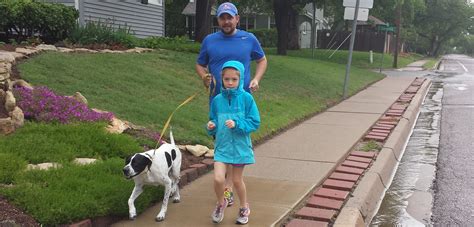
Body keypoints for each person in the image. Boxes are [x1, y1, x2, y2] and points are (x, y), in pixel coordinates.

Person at [195, 1, 267, 208]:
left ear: (237, 18)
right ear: (218, 20)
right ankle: (227, 187)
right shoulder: (210, 40)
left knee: (237, 138)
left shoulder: (248, 38)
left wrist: (256, 79)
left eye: (230, 17)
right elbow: (200, 64)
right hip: (218, 100)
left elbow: (262, 59)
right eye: (222, 17)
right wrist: (204, 77)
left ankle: (230, 185)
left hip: (241, 101)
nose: (226, 21)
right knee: (222, 142)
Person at [206, 60, 260, 224]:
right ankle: (221, 202)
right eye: (226, 79)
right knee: (218, 179)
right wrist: (211, 126)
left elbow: (254, 122)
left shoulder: (246, 99)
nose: (230, 83)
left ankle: (244, 207)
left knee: (236, 181)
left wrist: (237, 125)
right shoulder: (217, 100)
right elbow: (213, 120)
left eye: (234, 80)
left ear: (241, 79)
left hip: (240, 148)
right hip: (222, 147)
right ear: (221, 78)